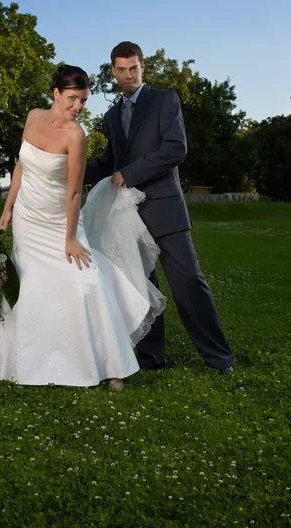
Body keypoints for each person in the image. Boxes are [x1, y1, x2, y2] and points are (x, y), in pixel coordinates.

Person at [0, 65, 165, 390]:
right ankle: (26, 362)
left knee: (85, 280)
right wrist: (8, 207)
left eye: (83, 100)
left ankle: (113, 365)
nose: (77, 107)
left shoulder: (76, 135)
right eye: (72, 98)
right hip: (28, 219)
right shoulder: (33, 117)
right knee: (31, 286)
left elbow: (73, 191)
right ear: (55, 92)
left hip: (60, 220)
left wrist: (70, 239)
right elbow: (21, 166)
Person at [84, 42, 234, 375]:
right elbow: (110, 162)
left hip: (164, 208)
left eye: (133, 68)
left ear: (143, 67)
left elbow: (175, 149)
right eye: (121, 70)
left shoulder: (165, 100)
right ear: (112, 71)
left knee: (189, 283)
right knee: (141, 285)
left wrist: (130, 173)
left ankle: (219, 359)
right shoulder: (112, 114)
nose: (128, 75)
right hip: (127, 214)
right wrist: (68, 170)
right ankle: (152, 358)